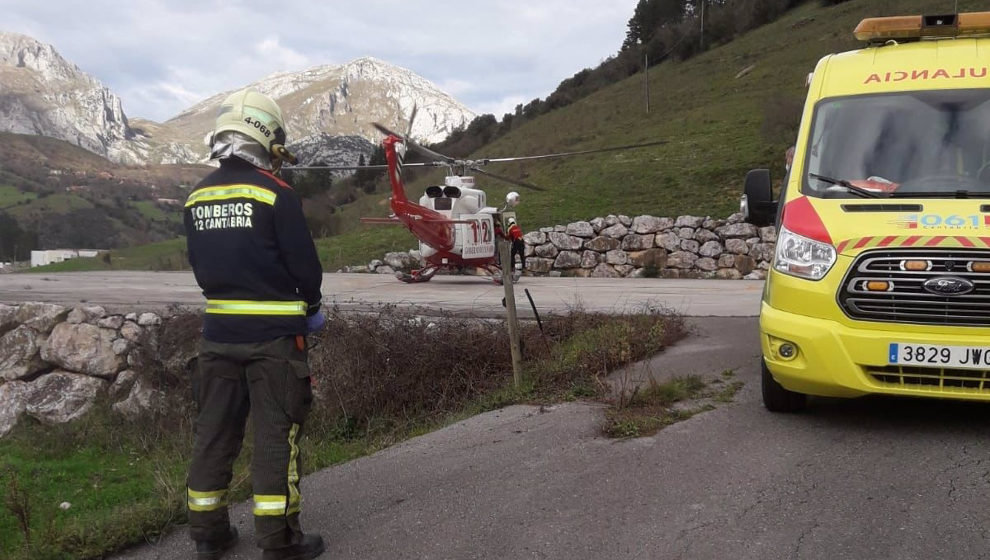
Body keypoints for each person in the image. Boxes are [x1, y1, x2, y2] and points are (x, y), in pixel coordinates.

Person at [183, 88, 326, 560]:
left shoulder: (196, 197)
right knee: (274, 438)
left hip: (217, 337)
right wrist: (311, 305)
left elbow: (202, 268)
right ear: (267, 137)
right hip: (276, 342)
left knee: (214, 435)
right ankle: (279, 541)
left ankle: (208, 534)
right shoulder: (276, 194)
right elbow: (306, 270)